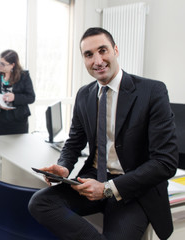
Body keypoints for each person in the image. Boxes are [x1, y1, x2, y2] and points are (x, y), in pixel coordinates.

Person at [28, 27, 178, 240]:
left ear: (115, 50)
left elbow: (165, 162)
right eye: (89, 55)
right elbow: (74, 142)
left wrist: (108, 188)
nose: (97, 60)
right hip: (93, 178)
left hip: (132, 188)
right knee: (40, 202)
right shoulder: (84, 94)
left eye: (103, 50)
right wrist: (63, 167)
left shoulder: (152, 92)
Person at [0, 49, 35, 158]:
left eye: (3, 64)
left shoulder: (24, 76)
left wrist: (15, 97)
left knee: (17, 153)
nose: (0, 66)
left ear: (12, 65)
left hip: (18, 122)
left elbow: (31, 97)